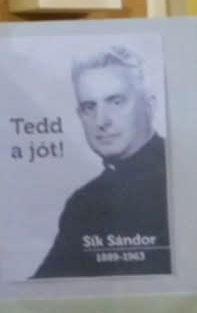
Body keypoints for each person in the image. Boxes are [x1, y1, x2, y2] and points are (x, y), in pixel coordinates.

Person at [33, 46, 170, 280]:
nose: (101, 121)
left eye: (116, 101)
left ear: (149, 106)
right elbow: (47, 287)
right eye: (89, 107)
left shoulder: (181, 179)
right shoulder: (83, 203)